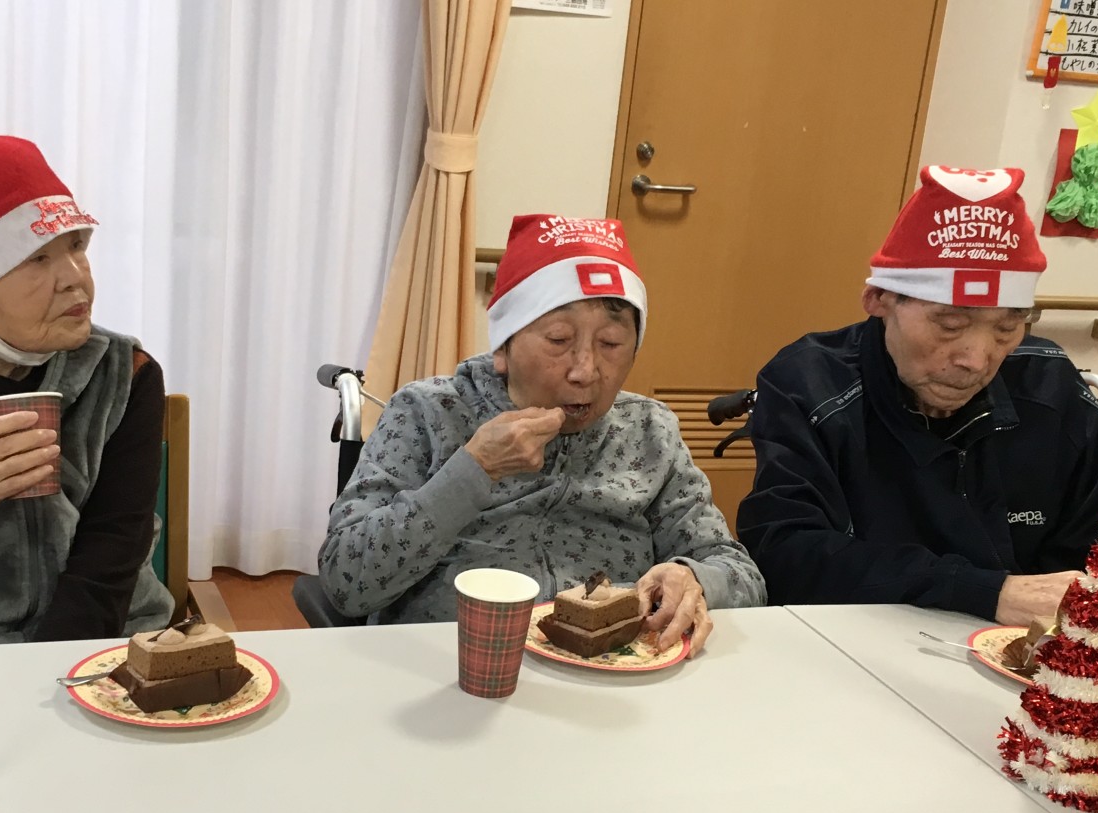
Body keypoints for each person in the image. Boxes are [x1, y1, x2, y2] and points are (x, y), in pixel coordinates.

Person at [318, 214, 765, 655]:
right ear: (503, 347)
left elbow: (742, 576)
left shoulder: (651, 431)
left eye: (610, 344)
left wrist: (694, 578)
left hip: (611, 675)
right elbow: (345, 581)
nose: (585, 371)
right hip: (455, 662)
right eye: (558, 340)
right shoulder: (428, 412)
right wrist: (473, 470)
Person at [736, 165, 1098, 626]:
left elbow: (1096, 543)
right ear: (879, 299)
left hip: (1022, 649)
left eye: (1006, 328)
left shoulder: (1047, 384)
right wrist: (982, 590)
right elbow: (784, 552)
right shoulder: (810, 383)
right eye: (949, 325)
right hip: (854, 633)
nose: (976, 359)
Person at [0, 131, 174, 645]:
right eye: (36, 258)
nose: (76, 278)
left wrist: (51, 674)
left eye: (76, 246)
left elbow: (113, 549)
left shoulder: (125, 374)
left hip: (100, 644)